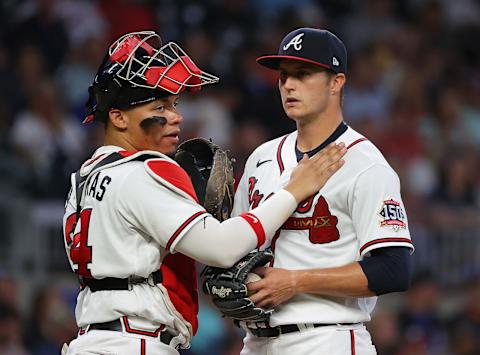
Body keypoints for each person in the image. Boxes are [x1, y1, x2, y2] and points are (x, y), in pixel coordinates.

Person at [62, 30, 346, 355]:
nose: (176, 116)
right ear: (118, 117)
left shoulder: (82, 179)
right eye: (159, 106)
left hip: (94, 340)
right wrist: (293, 191)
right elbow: (222, 248)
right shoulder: (143, 170)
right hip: (133, 342)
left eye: (173, 104)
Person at [232, 28, 414, 355]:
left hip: (327, 338)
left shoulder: (364, 162)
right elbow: (236, 247)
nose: (288, 84)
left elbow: (394, 269)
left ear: (336, 82)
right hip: (255, 342)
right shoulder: (260, 158)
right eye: (284, 76)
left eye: (303, 74)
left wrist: (296, 281)